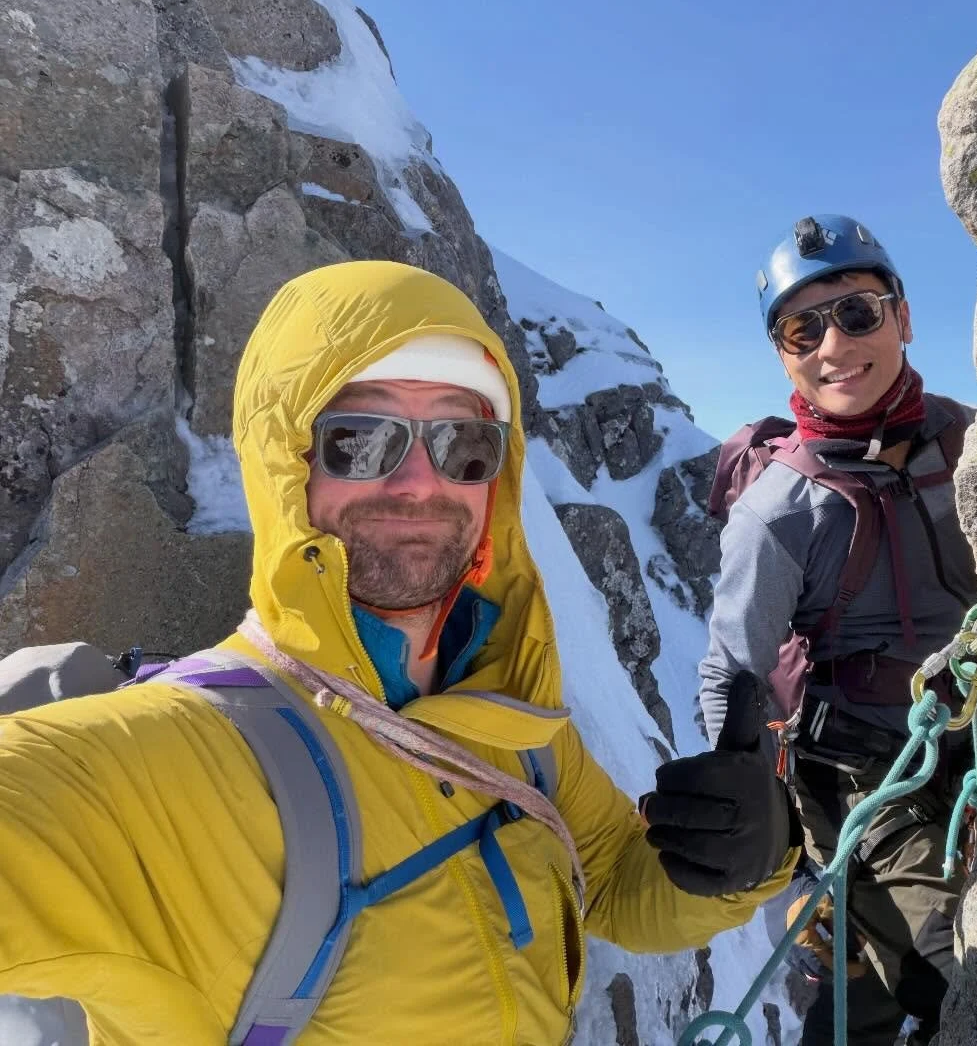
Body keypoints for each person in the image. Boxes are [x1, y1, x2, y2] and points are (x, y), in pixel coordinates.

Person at [0, 261, 798, 1046]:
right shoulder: (166, 765)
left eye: (464, 442)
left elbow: (618, 885)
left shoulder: (514, 728)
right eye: (358, 439)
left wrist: (746, 856)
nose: (420, 481)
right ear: (284, 463)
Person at [699, 215, 977, 1046]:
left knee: (870, 987)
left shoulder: (973, 440)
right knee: (958, 970)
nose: (833, 346)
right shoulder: (780, 512)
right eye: (802, 330)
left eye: (857, 314)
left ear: (903, 317)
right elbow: (731, 675)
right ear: (782, 354)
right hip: (858, 772)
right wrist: (756, 810)